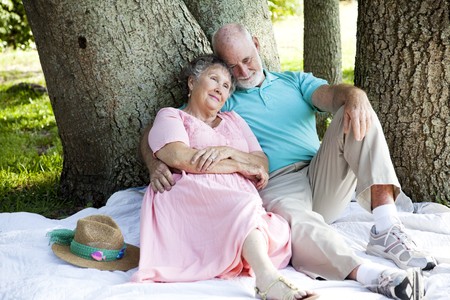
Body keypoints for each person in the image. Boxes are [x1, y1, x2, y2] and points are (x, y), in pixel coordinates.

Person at [132, 55, 319, 300]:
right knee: (242, 207)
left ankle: (264, 273)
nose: (220, 89)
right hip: (190, 195)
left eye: (226, 86)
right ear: (192, 83)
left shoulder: (234, 120)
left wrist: (234, 155)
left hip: (239, 196)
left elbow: (261, 162)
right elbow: (180, 157)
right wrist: (240, 166)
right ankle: (268, 279)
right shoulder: (172, 116)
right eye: (214, 79)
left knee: (273, 225)